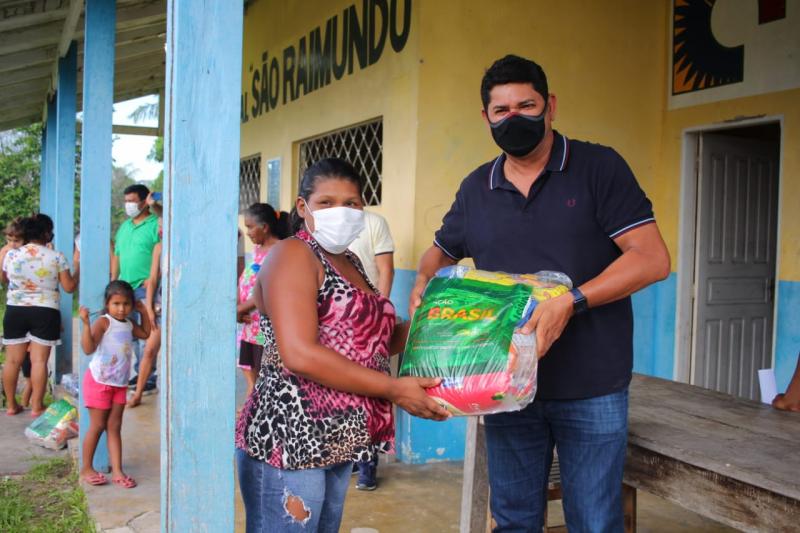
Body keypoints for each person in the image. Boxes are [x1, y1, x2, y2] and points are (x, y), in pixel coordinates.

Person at [410, 55, 670, 532]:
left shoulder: (598, 168)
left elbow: (652, 258)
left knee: (594, 521)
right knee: (513, 520)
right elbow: (440, 253)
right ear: (486, 117)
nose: (514, 118)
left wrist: (570, 301)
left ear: (549, 106)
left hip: (592, 385)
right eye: (501, 110)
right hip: (505, 385)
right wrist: (424, 283)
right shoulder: (477, 187)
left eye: (526, 106)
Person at [235, 158, 449, 533]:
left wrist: (432, 322)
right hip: (290, 435)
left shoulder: (348, 259)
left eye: (351, 203)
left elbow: (370, 343)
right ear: (303, 207)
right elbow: (299, 354)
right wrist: (394, 388)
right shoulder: (293, 254)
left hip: (338, 436)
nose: (341, 212)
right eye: (326, 202)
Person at [2, 214, 79, 416]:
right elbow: (69, 287)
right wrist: (78, 268)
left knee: (12, 361)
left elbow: (4, 278)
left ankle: (11, 405)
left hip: (15, 309)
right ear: (46, 233)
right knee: (39, 361)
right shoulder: (56, 257)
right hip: (45, 311)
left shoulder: (11, 255)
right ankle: (36, 406)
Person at [79, 281, 150, 487]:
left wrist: (144, 312)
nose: (121, 309)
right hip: (99, 381)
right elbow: (88, 348)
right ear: (107, 304)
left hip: (119, 383)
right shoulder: (104, 322)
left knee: (114, 426)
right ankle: (86, 468)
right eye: (116, 304)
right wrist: (86, 324)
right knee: (98, 425)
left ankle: (118, 471)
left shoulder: (129, 323)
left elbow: (145, 334)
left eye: (126, 304)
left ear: (132, 304)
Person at [347, 210, 396, 490]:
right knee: (345, 393)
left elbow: (386, 269)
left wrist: (380, 310)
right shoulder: (318, 225)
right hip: (338, 323)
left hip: (368, 319)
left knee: (369, 393)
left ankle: (368, 463)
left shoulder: (374, 223)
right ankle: (354, 457)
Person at [236, 203, 288, 398]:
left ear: (264, 227)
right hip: (250, 325)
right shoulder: (258, 249)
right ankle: (252, 405)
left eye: (250, 227)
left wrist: (240, 309)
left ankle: (260, 407)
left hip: (265, 327)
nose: (248, 232)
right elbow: (247, 280)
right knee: (250, 368)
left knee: (266, 369)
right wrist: (239, 309)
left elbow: (270, 290)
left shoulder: (280, 250)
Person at [112, 184, 160, 394]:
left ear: (144, 202)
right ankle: (136, 374)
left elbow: (162, 254)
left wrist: (153, 278)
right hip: (125, 288)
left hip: (145, 287)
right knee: (127, 332)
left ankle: (147, 377)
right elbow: (117, 255)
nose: (128, 205)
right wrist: (114, 280)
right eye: (126, 201)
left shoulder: (155, 224)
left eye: (132, 201)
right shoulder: (124, 227)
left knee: (146, 334)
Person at [127, 217, 165, 408]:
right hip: (161, 308)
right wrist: (149, 307)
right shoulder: (159, 248)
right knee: (149, 350)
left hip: (181, 311)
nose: (160, 230)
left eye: (163, 226)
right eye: (159, 226)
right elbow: (153, 279)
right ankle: (138, 394)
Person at [349, 211, 395, 298]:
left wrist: (381, 303)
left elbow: (386, 270)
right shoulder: (322, 221)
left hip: (366, 299)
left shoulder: (374, 222)